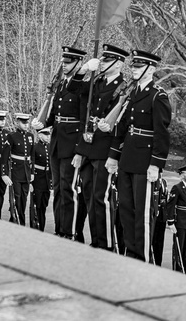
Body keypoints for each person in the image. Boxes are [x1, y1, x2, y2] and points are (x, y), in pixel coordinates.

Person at [105, 49, 171, 262]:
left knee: (143, 214)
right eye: (132, 66)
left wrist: (155, 165)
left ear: (150, 69)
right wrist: (113, 156)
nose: (133, 69)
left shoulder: (157, 96)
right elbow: (123, 126)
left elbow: (162, 133)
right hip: (127, 158)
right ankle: (130, 254)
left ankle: (141, 258)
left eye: (138, 66)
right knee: (126, 210)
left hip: (145, 161)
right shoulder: (132, 93)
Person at [74, 43, 128, 250]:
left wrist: (114, 150)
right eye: (102, 60)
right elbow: (73, 89)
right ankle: (95, 240)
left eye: (106, 60)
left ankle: (106, 244)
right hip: (88, 146)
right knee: (88, 196)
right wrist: (84, 70)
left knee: (101, 198)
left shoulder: (124, 87)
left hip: (105, 149)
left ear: (118, 64)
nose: (102, 63)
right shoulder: (96, 82)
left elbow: (122, 123)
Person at [33, 45, 87, 239]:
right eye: (63, 62)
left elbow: (84, 120)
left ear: (79, 63)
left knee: (68, 188)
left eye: (69, 62)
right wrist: (41, 123)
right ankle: (59, 228)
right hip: (56, 141)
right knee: (57, 187)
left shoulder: (82, 86)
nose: (64, 66)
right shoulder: (61, 85)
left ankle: (70, 230)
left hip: (71, 142)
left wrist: (80, 148)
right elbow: (54, 114)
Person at [3, 113, 34, 225]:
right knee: (17, 197)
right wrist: (4, 173)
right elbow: (5, 156)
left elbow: (32, 156)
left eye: (27, 123)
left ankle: (21, 219)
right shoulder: (12, 136)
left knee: (24, 199)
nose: (26, 125)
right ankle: (17, 220)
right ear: (17, 122)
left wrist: (32, 172)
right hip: (15, 171)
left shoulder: (30, 136)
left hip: (26, 172)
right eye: (23, 123)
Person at [167, 165, 186, 275]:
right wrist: (171, 222)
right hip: (180, 221)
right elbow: (170, 205)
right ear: (182, 175)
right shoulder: (177, 188)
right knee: (179, 246)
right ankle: (178, 270)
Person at [31, 126, 52, 231]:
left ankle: (41, 226)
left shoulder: (50, 147)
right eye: (45, 134)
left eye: (48, 134)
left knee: (44, 204)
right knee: (37, 205)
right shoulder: (34, 147)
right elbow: (32, 163)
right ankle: (36, 226)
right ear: (39, 135)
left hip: (47, 180)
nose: (48, 136)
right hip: (37, 179)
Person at [151, 171, 169, 266]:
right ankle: (152, 260)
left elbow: (165, 197)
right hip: (156, 213)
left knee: (160, 240)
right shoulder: (154, 181)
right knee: (154, 239)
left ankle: (158, 261)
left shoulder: (164, 182)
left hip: (162, 215)